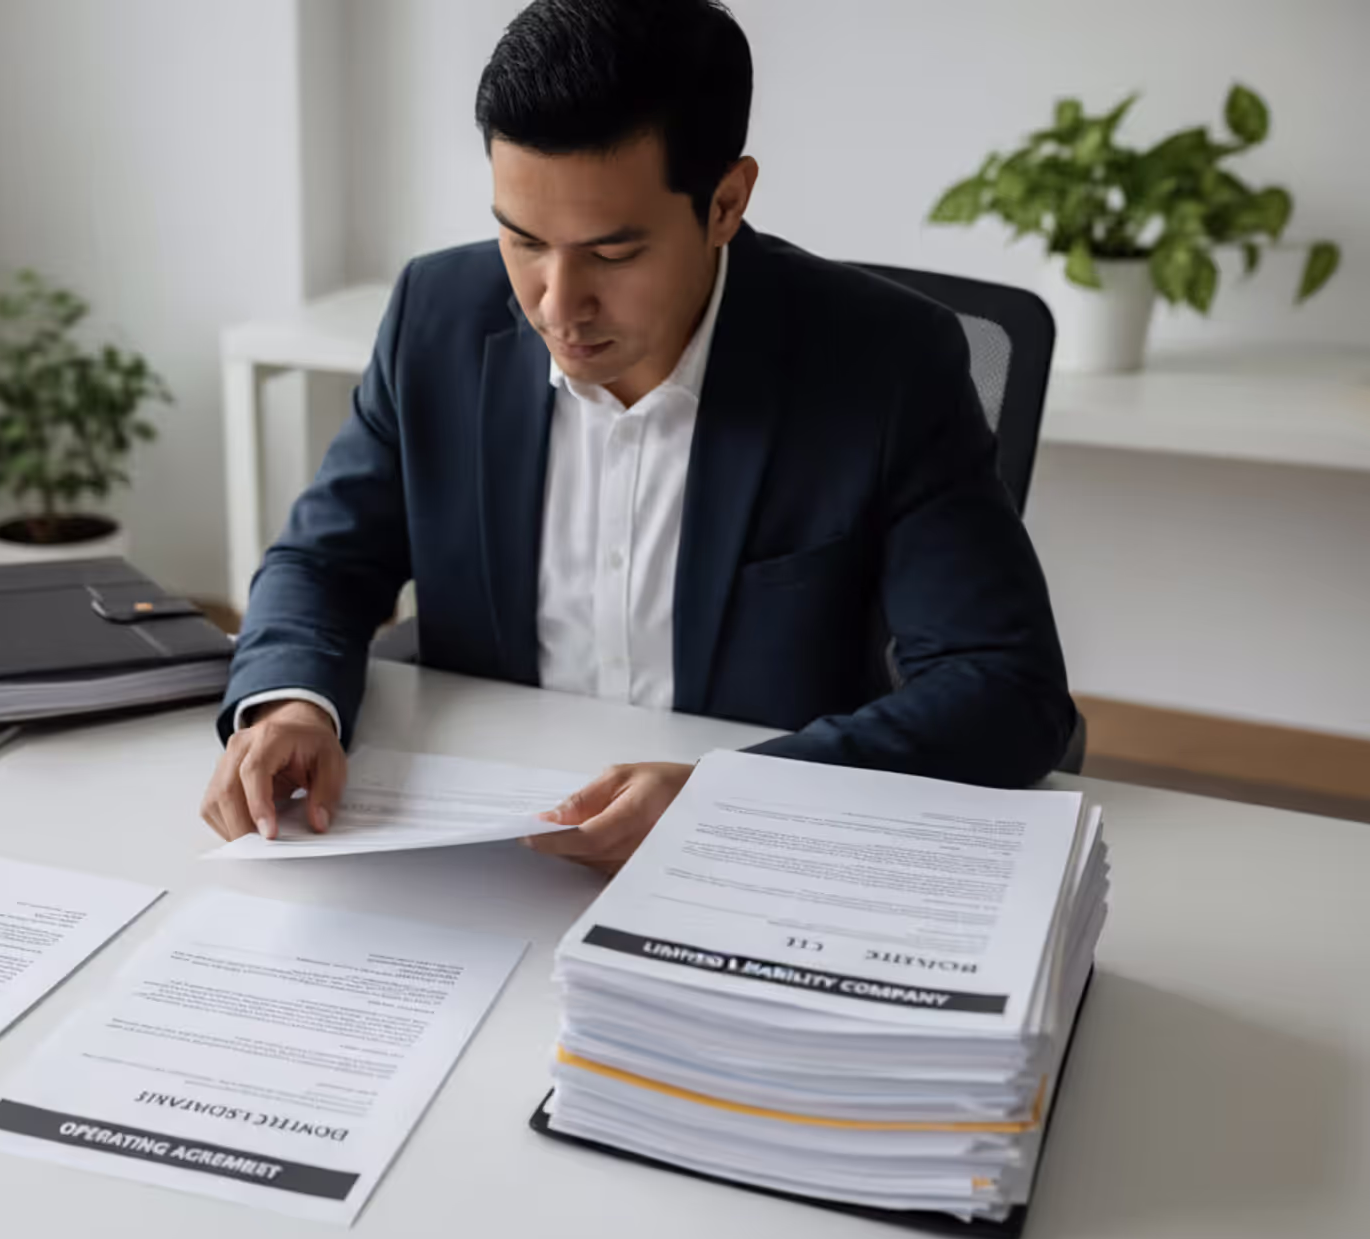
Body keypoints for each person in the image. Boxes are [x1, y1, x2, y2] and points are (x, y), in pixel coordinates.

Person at [200, 0, 1076, 873]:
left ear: (726, 202)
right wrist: (290, 708)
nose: (554, 303)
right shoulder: (436, 317)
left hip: (754, 867)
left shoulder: (885, 362)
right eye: (522, 239)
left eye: (612, 255)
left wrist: (725, 796)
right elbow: (323, 563)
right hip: (482, 853)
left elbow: (1004, 688)